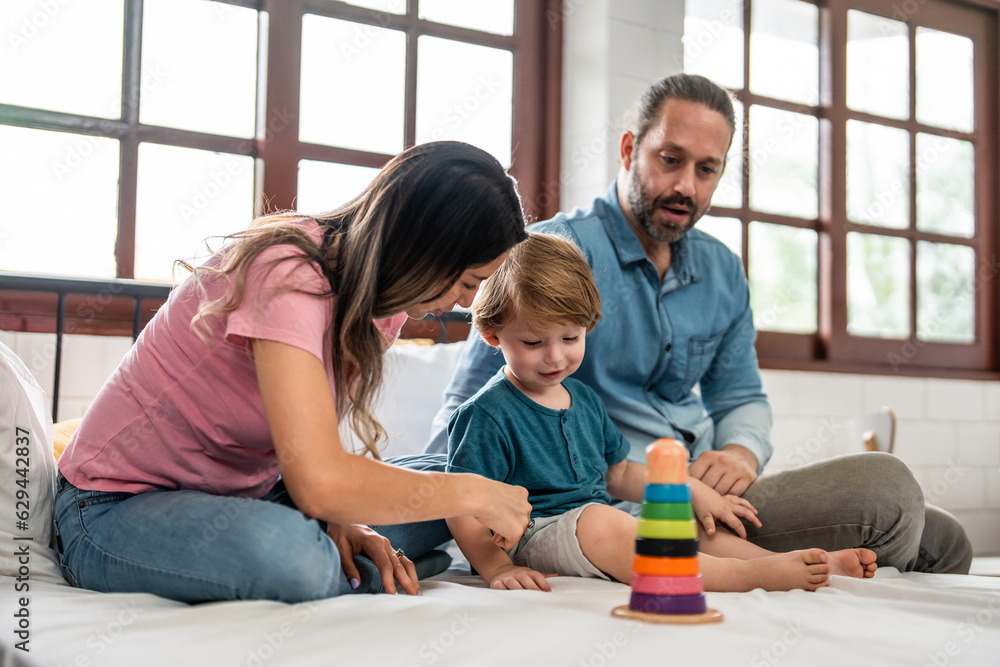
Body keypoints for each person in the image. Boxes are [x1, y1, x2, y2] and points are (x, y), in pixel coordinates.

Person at [427, 74, 973, 575]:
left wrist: (739, 453)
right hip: (615, 510)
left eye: (706, 169)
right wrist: (466, 533)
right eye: (670, 159)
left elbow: (740, 396)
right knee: (890, 491)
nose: (686, 185)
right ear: (628, 150)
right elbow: (461, 425)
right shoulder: (549, 254)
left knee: (945, 538)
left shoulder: (720, 270)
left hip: (700, 493)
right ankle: (804, 583)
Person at [54, 141, 534, 604]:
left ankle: (361, 563)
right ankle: (367, 570)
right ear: (425, 249)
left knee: (443, 487)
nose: (470, 302)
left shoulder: (379, 308)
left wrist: (343, 515)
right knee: (295, 556)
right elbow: (320, 481)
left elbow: (309, 453)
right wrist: (467, 492)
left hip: (249, 497)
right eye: (469, 281)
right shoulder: (286, 271)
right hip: (113, 509)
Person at [445, 232, 877, 592]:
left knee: (677, 521)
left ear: (588, 325)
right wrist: (497, 567)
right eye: (534, 343)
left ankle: (791, 565)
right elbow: (460, 505)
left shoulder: (584, 399)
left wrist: (688, 488)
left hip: (596, 526)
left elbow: (618, 474)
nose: (555, 357)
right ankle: (746, 577)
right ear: (491, 334)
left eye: (571, 338)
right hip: (533, 535)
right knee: (601, 520)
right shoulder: (487, 412)